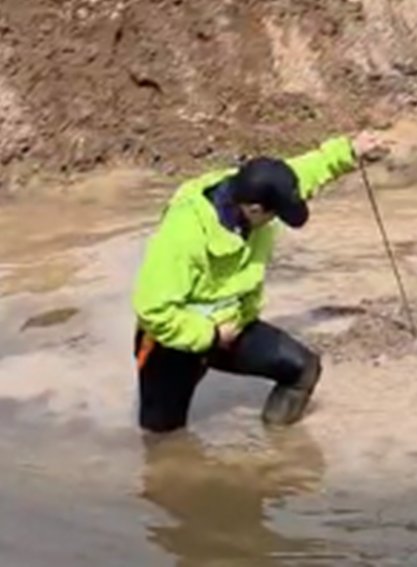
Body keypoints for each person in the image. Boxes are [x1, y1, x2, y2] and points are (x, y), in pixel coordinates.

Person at [131, 129, 394, 435]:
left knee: (303, 369)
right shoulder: (183, 233)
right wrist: (210, 336)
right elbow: (152, 309)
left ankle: (276, 454)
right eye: (275, 215)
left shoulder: (254, 187)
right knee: (164, 441)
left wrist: (350, 150)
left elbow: (304, 171)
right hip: (171, 342)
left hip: (234, 325)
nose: (277, 220)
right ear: (254, 209)